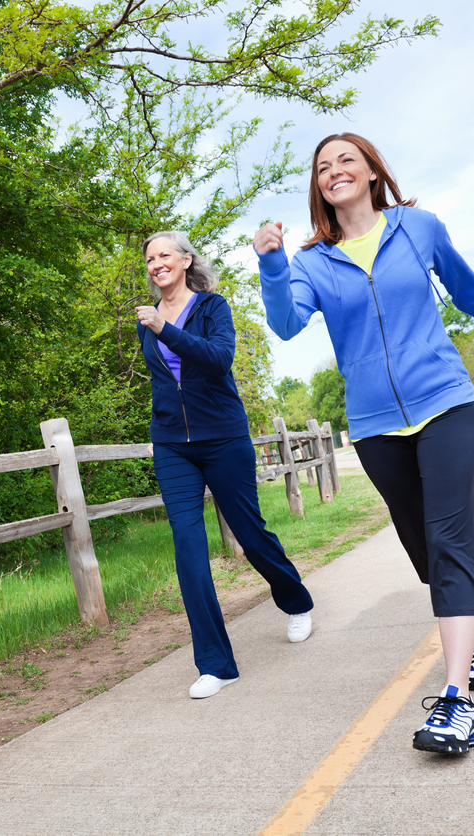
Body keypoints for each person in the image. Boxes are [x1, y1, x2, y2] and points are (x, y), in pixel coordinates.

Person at [252, 133, 474, 754]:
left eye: (346, 159)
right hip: (375, 423)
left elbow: (468, 288)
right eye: (323, 167)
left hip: (443, 400)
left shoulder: (418, 227)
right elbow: (287, 324)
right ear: (318, 188)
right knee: (420, 540)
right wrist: (272, 264)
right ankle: (472, 632)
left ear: (373, 171)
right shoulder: (313, 263)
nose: (334, 171)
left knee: (450, 533)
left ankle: (457, 701)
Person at [135, 231, 315, 700]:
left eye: (164, 255)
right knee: (188, 548)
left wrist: (163, 328)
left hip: (223, 439)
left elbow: (219, 360)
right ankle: (216, 663)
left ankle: (296, 601)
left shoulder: (213, 307)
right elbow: (162, 384)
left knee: (250, 533)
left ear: (185, 259)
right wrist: (159, 434)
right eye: (149, 259)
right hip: (173, 446)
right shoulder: (146, 319)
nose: (156, 264)